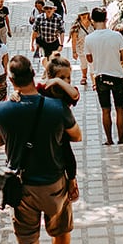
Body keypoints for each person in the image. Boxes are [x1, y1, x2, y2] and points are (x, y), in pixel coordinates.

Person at [0, 54, 82, 244]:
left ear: (10, 79)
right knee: (60, 228)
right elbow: (76, 136)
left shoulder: (1, 110)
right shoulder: (55, 107)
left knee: (29, 242)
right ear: (34, 74)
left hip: (22, 188)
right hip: (54, 184)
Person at [38, 53, 81, 202]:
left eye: (68, 77)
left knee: (68, 156)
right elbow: (26, 93)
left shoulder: (67, 91)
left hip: (62, 131)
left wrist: (58, 81)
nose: (66, 81)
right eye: (62, 77)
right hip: (44, 130)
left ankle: (72, 181)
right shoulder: (42, 88)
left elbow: (74, 94)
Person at [84, 7, 123, 145]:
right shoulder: (117, 36)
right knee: (120, 108)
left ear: (92, 21)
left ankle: (109, 140)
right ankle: (121, 138)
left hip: (100, 77)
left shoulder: (89, 38)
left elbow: (89, 59)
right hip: (117, 75)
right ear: (106, 19)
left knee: (105, 110)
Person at [69, 8, 92, 85]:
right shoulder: (76, 26)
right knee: (83, 63)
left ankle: (94, 80)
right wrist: (74, 52)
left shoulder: (92, 23)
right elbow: (74, 40)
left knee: (93, 64)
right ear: (79, 16)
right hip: (81, 48)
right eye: (82, 14)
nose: (84, 16)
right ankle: (84, 76)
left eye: (85, 14)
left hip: (92, 48)